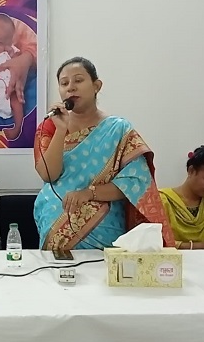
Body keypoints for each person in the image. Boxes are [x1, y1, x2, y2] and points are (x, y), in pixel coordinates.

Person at [33, 57, 174, 250]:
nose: (71, 87)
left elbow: (135, 183)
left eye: (78, 80)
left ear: (96, 86)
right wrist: (60, 130)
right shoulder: (50, 127)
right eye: (64, 83)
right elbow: (48, 175)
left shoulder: (118, 130)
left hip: (105, 224)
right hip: (55, 225)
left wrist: (89, 194)